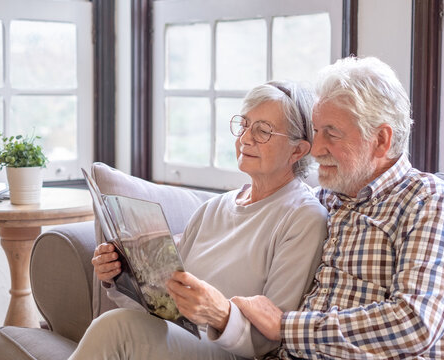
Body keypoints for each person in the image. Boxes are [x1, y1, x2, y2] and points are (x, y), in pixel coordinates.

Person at [232, 56, 444, 359]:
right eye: (316, 131)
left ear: (381, 139)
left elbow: (414, 324)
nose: (315, 148)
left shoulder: (429, 204)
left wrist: (285, 326)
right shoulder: (322, 200)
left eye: (332, 133)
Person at [69, 80, 328, 360]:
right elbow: (163, 305)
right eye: (243, 125)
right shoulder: (213, 208)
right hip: (180, 340)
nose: (245, 139)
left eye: (263, 131)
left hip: (232, 353)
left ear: (298, 150)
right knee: (118, 325)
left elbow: (273, 335)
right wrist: (120, 275)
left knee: (115, 328)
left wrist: (222, 316)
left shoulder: (303, 218)